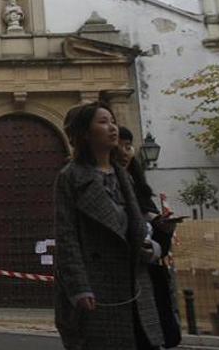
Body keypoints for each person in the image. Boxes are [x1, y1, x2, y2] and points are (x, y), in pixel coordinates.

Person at [54, 102, 163, 349]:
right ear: (84, 133)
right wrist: (79, 289)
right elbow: (66, 238)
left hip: (134, 285)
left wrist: (152, 247)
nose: (112, 127)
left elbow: (134, 227)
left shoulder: (123, 175)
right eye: (103, 122)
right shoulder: (70, 177)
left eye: (113, 120)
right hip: (98, 290)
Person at [117, 126, 183, 348]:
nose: (125, 152)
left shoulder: (139, 188)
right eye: (118, 148)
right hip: (123, 278)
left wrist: (161, 230)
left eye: (128, 147)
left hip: (149, 275)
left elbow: (159, 241)